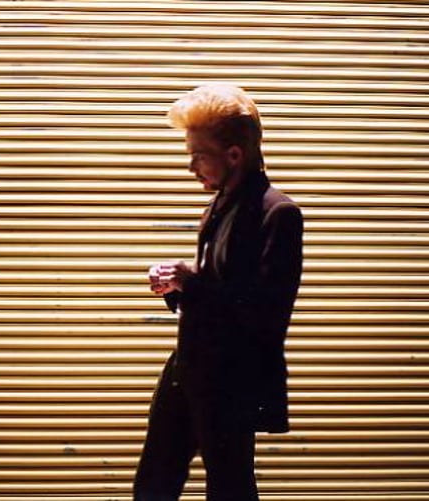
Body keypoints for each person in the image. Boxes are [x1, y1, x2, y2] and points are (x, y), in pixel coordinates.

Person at [133, 83, 304, 501]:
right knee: (154, 481)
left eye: (198, 156)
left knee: (230, 489)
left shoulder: (278, 214)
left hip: (231, 381)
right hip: (188, 369)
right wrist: (179, 284)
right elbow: (220, 286)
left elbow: (265, 312)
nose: (191, 167)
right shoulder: (219, 205)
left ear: (233, 155)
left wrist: (191, 282)